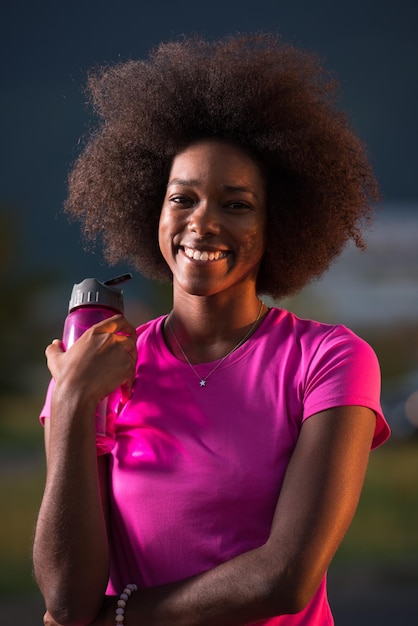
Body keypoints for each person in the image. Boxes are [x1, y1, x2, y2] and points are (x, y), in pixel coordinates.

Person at [33, 33, 390, 626]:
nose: (202, 222)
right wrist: (71, 400)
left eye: (237, 204)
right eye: (183, 198)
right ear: (154, 207)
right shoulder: (97, 368)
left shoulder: (328, 360)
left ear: (279, 224)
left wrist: (119, 618)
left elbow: (284, 579)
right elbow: (66, 601)